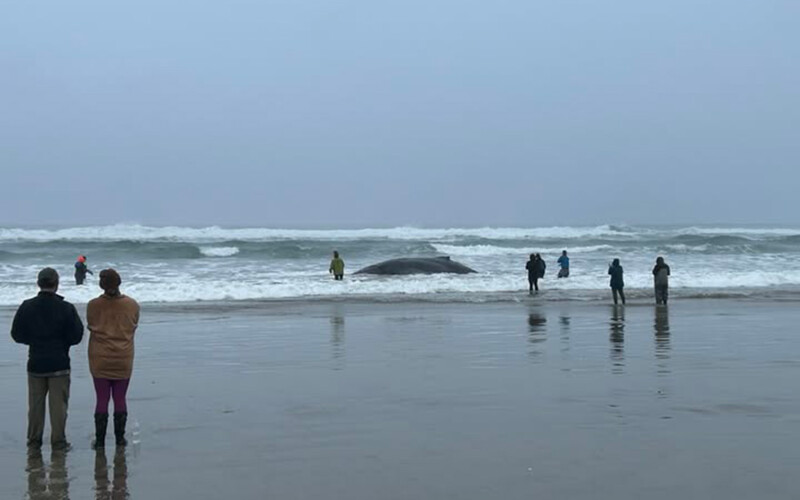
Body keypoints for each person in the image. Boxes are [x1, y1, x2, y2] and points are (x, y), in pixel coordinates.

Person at [11, 268, 84, 449]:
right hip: (59, 361)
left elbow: (17, 334)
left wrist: (33, 341)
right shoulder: (66, 308)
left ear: (39, 283)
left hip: (36, 361)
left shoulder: (27, 306)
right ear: (56, 284)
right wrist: (62, 343)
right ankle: (58, 441)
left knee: (35, 406)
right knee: (58, 406)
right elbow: (77, 336)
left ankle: (34, 440)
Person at [87, 269, 140, 448]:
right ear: (119, 283)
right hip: (123, 356)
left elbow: (91, 325)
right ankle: (120, 438)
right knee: (120, 398)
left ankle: (100, 440)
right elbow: (134, 326)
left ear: (102, 285)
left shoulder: (93, 305)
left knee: (101, 399)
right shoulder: (132, 304)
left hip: (100, 357)